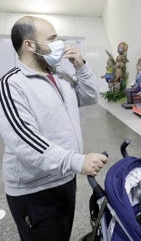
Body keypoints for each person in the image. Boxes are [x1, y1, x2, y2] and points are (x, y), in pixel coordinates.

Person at [0, 16, 108, 241]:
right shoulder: (11, 84)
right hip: (35, 191)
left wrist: (81, 67)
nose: (60, 44)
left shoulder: (59, 75)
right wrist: (77, 161)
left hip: (64, 178)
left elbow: (89, 97)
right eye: (52, 38)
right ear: (29, 45)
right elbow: (25, 140)